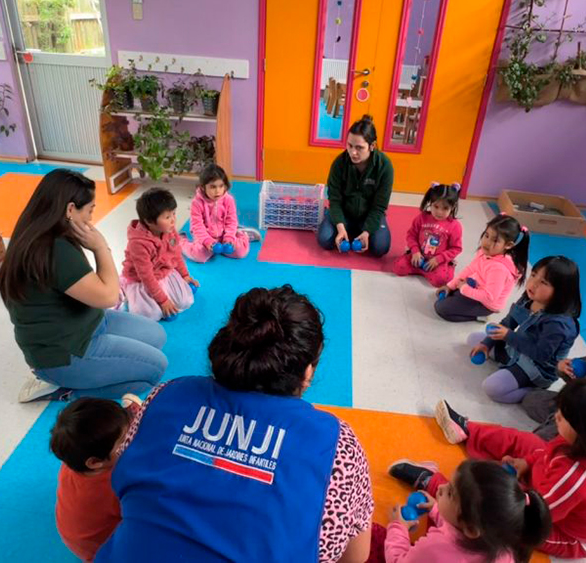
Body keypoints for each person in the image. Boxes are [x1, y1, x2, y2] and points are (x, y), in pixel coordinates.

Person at [98, 286, 373, 562]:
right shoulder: (336, 445)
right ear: (307, 372)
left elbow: (125, 488)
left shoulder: (166, 395)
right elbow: (355, 558)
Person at [395, 378, 586, 559]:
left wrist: (511, 487)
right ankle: (468, 430)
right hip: (546, 487)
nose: (556, 416)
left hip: (561, 531)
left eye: (565, 416)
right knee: (526, 442)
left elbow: (528, 517)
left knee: (491, 511)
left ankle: (435, 484)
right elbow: (545, 453)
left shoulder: (577, 479)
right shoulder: (585, 444)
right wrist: (526, 464)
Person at [0, 169, 168, 403]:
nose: (90, 218)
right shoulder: (54, 250)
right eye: (89, 210)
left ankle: (68, 377)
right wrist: (101, 247)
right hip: (66, 352)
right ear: (70, 210)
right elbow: (109, 296)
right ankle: (60, 388)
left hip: (87, 322)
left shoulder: (39, 230)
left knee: (157, 336)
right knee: (154, 370)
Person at [369, 460, 551, 563]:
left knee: (372, 536)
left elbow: (398, 560)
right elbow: (459, 533)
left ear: (471, 528)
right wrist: (435, 510)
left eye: (450, 493)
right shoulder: (506, 546)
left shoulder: (433, 547)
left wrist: (397, 527)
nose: (440, 487)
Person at [470, 256, 581, 404]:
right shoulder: (529, 299)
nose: (533, 284)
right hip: (515, 351)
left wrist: (508, 336)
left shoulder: (558, 324)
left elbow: (540, 355)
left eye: (543, 282)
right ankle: (504, 360)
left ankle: (532, 391)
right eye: (534, 275)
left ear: (561, 292)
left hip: (536, 368)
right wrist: (486, 344)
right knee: (474, 339)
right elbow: (507, 323)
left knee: (492, 388)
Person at [50, 396, 140, 561]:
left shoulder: (71, 461)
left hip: (76, 538)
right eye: (124, 440)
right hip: (102, 552)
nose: (131, 438)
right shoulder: (117, 485)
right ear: (95, 462)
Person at [317, 115, 394, 257]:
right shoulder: (339, 163)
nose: (353, 152)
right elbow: (335, 200)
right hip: (344, 214)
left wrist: (367, 232)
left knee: (380, 248)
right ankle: (345, 228)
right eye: (350, 145)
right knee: (324, 240)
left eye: (359, 147)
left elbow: (379, 206)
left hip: (368, 215)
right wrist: (340, 227)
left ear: (372, 146)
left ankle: (359, 231)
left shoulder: (385, 166)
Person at [119, 187, 200, 321]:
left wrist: (185, 275)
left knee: (184, 302)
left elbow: (176, 254)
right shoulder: (138, 243)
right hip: (141, 279)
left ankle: (161, 295)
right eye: (167, 217)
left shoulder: (169, 228)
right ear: (149, 221)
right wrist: (163, 301)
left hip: (164, 271)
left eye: (174, 213)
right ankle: (126, 289)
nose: (173, 220)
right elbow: (146, 276)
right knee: (151, 315)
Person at [434, 214, 529, 322]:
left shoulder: (499, 269)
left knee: (441, 308)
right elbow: (470, 269)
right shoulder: (485, 252)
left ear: (508, 245)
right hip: (478, 286)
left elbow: (489, 297)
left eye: (495, 240)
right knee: (448, 295)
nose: (487, 242)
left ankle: (478, 316)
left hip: (486, 304)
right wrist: (450, 286)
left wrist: (463, 288)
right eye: (487, 235)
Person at [181, 163, 261, 263]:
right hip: (205, 236)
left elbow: (231, 221)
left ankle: (242, 234)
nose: (218, 191)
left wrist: (228, 238)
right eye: (212, 187)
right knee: (200, 256)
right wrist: (207, 241)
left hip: (224, 234)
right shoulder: (197, 203)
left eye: (221, 186)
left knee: (240, 252)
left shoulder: (229, 200)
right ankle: (181, 241)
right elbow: (197, 226)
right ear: (203, 187)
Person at [391, 183, 464, 287]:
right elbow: (411, 235)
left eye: (445, 208)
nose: (439, 212)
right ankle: (421, 270)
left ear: (452, 208)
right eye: (436, 206)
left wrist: (439, 259)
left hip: (437, 261)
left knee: (441, 281)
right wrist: (415, 251)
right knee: (398, 268)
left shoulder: (455, 226)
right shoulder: (421, 218)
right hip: (418, 256)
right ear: (430, 203)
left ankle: (449, 265)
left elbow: (456, 248)